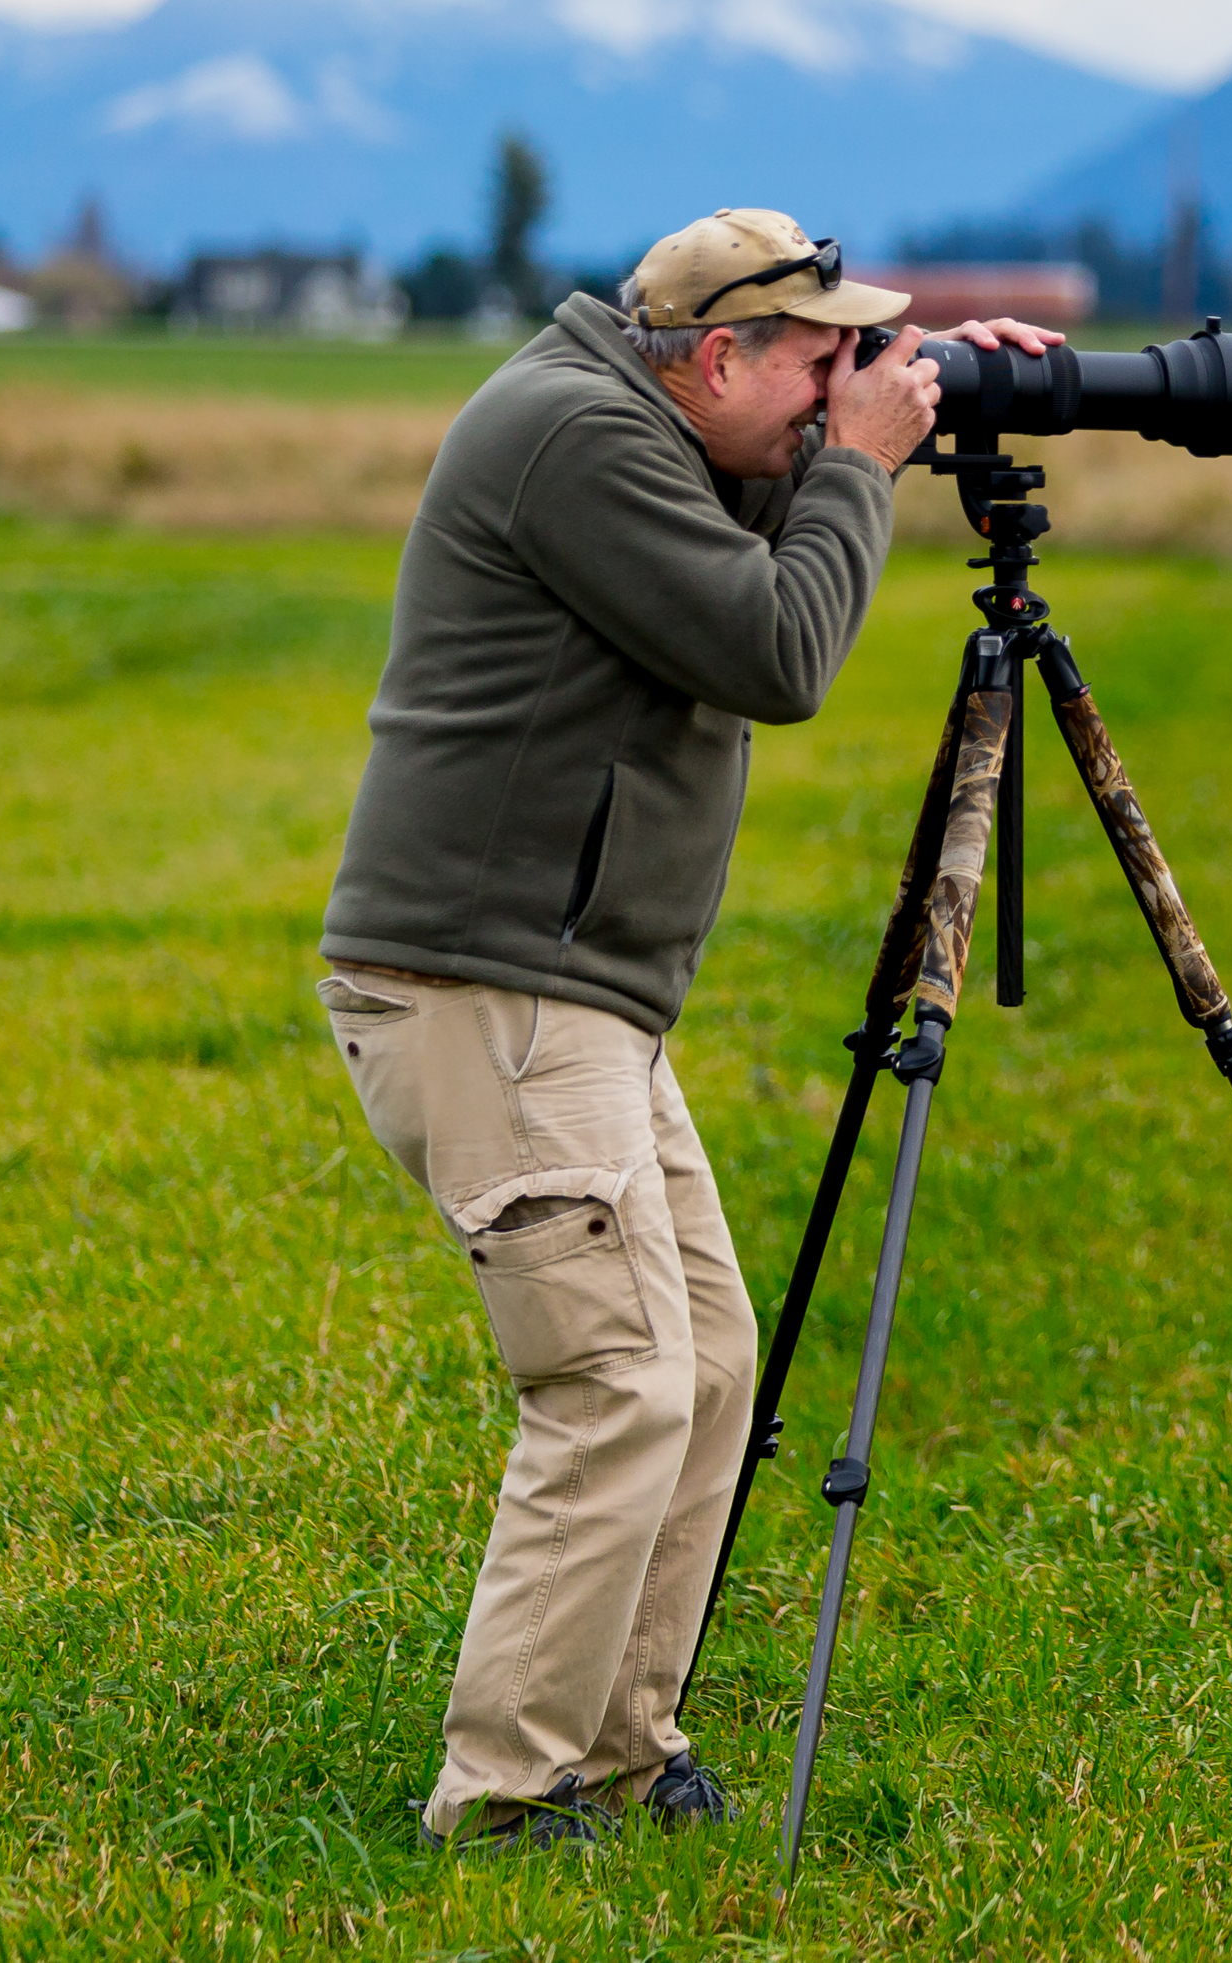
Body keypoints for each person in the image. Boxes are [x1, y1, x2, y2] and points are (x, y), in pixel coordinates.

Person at [313, 207, 1064, 1851]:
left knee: (707, 1364)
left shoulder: (640, 416)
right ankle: (502, 1794)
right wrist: (863, 464)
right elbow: (776, 643)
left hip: (565, 995)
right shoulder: (573, 437)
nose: (830, 391)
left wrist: (932, 395)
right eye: (814, 362)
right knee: (617, 1381)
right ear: (716, 357)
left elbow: (759, 521)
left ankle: (621, 1747)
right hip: (486, 990)